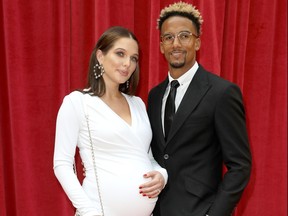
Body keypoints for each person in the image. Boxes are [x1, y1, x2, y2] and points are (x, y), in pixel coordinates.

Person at [147, 2, 252, 216]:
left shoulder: (222, 92)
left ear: (197, 42)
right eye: (168, 37)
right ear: (161, 46)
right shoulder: (154, 96)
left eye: (184, 36)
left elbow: (240, 166)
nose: (176, 44)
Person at [53, 26, 168, 216]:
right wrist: (88, 211)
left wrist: (162, 175)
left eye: (133, 58)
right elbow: (62, 164)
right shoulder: (77, 102)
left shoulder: (138, 104)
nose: (127, 64)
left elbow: (145, 157)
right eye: (120, 54)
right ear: (100, 56)